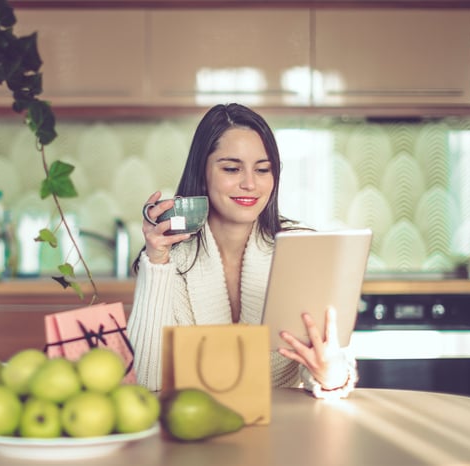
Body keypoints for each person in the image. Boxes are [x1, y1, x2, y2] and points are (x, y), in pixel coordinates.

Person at [127, 103, 357, 399]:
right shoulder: (173, 259)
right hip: (200, 431)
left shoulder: (299, 251)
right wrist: (156, 263)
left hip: (285, 432)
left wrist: (331, 375)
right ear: (203, 172)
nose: (250, 184)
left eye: (262, 170)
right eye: (232, 169)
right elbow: (144, 382)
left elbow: (332, 363)